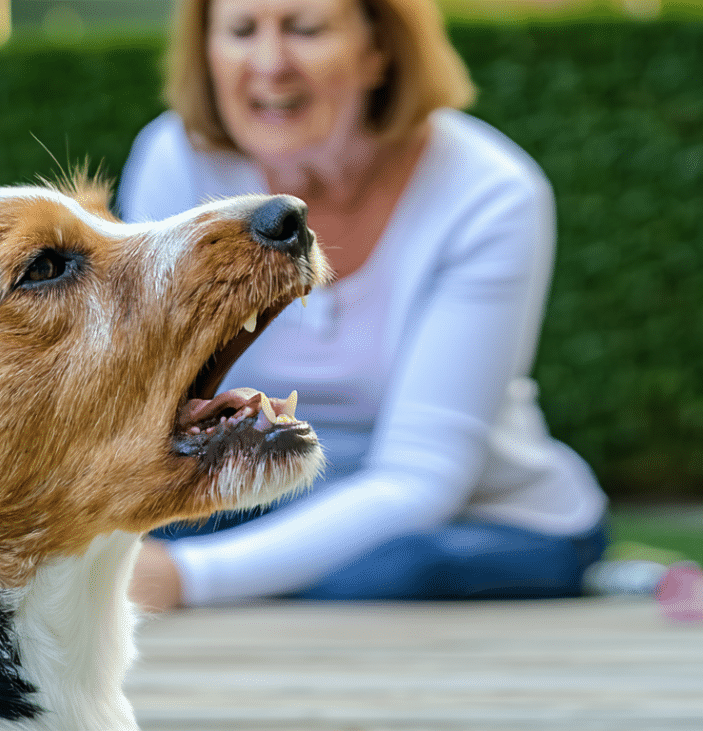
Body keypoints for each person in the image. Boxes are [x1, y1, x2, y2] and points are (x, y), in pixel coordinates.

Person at [118, 0, 608, 610]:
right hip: (259, 493)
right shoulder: (178, 158)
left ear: (379, 51)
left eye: (305, 29)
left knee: (378, 577)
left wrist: (185, 579)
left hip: (483, 518)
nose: (269, 64)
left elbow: (422, 480)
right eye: (242, 31)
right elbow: (146, 399)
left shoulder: (492, 194)